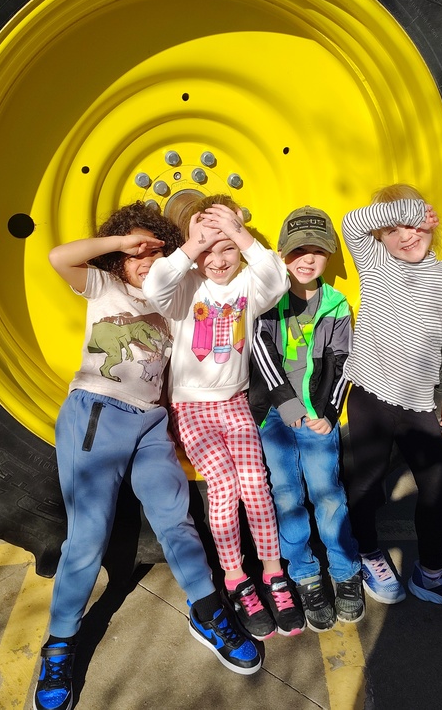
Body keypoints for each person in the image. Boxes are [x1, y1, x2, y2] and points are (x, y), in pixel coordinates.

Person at [36, 202, 262, 710]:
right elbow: (58, 256)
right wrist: (119, 244)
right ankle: (59, 644)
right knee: (88, 537)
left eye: (154, 249)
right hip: (98, 413)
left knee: (175, 520)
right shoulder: (105, 286)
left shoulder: (175, 298)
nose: (145, 258)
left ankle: (207, 611)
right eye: (136, 250)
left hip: (152, 424)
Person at [142, 195, 306, 640]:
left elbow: (275, 276)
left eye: (227, 249)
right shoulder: (184, 290)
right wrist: (194, 244)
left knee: (256, 483)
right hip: (191, 408)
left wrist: (237, 232)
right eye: (208, 251)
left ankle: (273, 574)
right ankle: (236, 578)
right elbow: (154, 286)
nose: (218, 259)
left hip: (233, 403)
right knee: (225, 485)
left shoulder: (248, 287)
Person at [340, 184, 442, 618]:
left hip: (417, 402)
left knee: (438, 484)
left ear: (430, 223)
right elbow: (353, 223)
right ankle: (369, 554)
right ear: (381, 238)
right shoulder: (376, 265)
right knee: (365, 484)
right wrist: (409, 210)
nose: (406, 235)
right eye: (393, 229)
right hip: (369, 393)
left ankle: (433, 573)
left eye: (414, 225)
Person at [248, 206, 365, 632]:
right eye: (299, 250)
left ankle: (345, 569)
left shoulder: (335, 304)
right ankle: (305, 575)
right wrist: (286, 405)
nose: (308, 258)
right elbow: (262, 352)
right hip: (276, 418)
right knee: (286, 496)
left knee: (328, 493)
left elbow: (344, 361)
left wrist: (330, 413)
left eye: (318, 251)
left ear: (329, 256)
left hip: (316, 418)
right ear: (283, 255)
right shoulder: (268, 301)